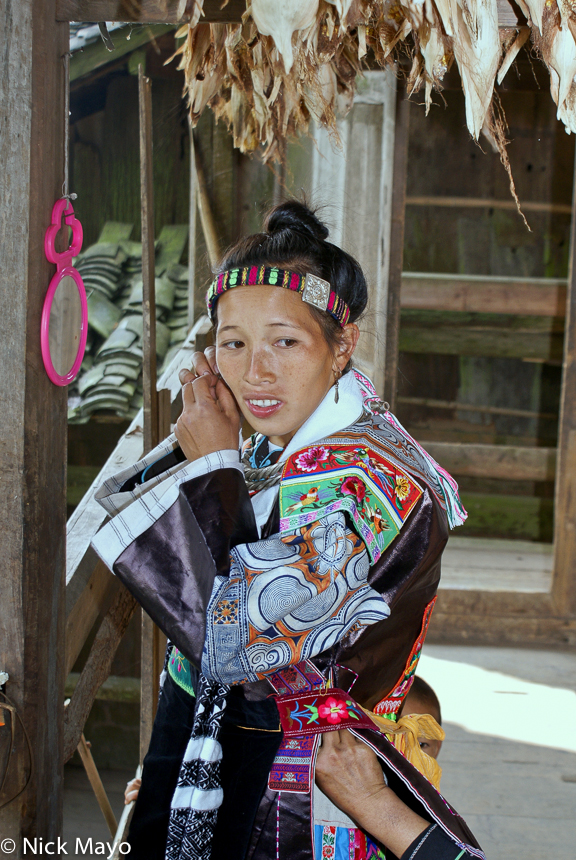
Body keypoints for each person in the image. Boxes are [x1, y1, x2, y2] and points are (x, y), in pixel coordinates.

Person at [92, 201, 483, 860]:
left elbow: (237, 639)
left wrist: (216, 464)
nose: (255, 372)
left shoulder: (363, 484)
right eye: (233, 342)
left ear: (342, 346)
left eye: (285, 341)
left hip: (302, 794)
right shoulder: (301, 444)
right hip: (251, 752)